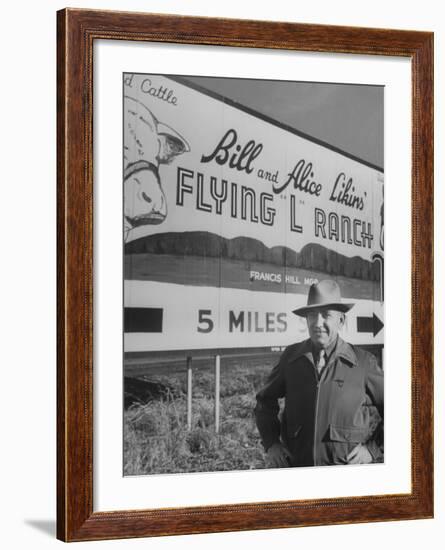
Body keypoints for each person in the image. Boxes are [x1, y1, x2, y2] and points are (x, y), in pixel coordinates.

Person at [255, 279, 384, 468]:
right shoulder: (291, 358)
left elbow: (400, 409)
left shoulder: (363, 363)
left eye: (326, 315)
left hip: (345, 479)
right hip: (298, 473)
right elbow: (264, 402)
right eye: (312, 315)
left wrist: (373, 448)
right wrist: (272, 444)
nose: (318, 322)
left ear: (341, 320)